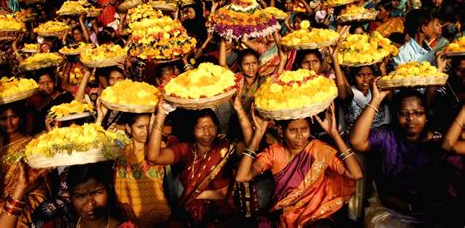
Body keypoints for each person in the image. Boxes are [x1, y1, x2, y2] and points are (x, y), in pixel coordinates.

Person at [349, 84, 461, 227]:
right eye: (404, 113)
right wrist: (376, 99)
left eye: (418, 113)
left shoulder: (438, 142)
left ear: (426, 116)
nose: (411, 118)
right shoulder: (387, 135)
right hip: (391, 210)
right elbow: (357, 141)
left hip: (430, 212)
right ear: (397, 116)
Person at [235, 104, 363, 227]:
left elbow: (356, 174)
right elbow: (242, 176)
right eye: (293, 130)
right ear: (281, 131)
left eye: (304, 130)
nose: (300, 136)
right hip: (285, 214)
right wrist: (257, 135)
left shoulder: (319, 149)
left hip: (317, 214)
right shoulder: (274, 153)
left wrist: (334, 133)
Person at [148, 100, 254, 227]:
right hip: (189, 214)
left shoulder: (225, 148)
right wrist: (161, 114)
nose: (207, 133)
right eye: (201, 128)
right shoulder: (186, 150)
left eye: (211, 127)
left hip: (222, 215)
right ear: (193, 130)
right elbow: (154, 157)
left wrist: (239, 109)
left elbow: (252, 145)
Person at [0, 103, 48, 226]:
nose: (9, 122)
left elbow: (38, 178)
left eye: (13, 117)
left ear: (21, 119)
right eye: (3, 118)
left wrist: (16, 192)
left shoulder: (31, 144)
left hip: (29, 192)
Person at [115, 113, 171, 227]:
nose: (145, 131)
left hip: (157, 219)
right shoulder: (120, 148)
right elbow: (103, 140)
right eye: (140, 127)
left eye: (148, 126)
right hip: (129, 220)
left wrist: (155, 126)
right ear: (129, 128)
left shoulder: (159, 147)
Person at [27, 69, 74, 135]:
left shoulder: (66, 97)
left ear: (55, 83)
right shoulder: (35, 103)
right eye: (42, 83)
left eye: (49, 82)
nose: (46, 86)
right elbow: (34, 133)